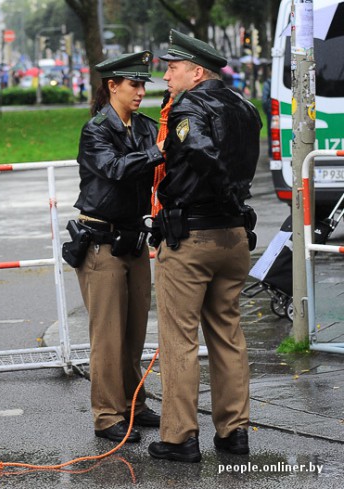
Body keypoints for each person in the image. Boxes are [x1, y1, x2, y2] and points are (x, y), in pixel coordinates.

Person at [147, 30, 262, 463]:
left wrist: (224, 191)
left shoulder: (189, 105)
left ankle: (179, 438)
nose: (167, 74)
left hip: (192, 237)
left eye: (173, 67)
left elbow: (200, 151)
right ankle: (234, 434)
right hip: (233, 237)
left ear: (197, 72)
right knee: (228, 334)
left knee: (178, 339)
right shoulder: (245, 108)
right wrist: (234, 198)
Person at [65, 52, 164, 445]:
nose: (141, 92)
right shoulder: (96, 130)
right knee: (107, 336)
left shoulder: (142, 127)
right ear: (112, 86)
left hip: (133, 241)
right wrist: (160, 151)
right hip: (101, 243)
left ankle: (133, 404)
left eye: (143, 85)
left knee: (134, 333)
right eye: (133, 85)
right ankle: (107, 416)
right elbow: (116, 169)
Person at [261, 65, 272, 157]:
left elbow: (264, 100)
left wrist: (267, 110)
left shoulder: (268, 83)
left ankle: (271, 153)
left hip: (271, 111)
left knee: (271, 134)